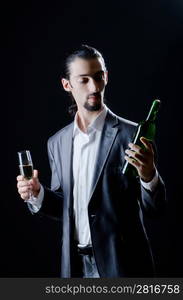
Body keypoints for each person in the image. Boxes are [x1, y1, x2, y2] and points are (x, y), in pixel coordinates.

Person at [17, 45, 166, 278]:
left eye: (98, 77)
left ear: (106, 77)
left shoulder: (132, 135)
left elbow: (156, 209)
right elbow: (64, 207)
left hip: (123, 267)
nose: (94, 87)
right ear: (67, 85)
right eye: (84, 80)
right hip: (74, 267)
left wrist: (149, 176)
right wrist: (38, 194)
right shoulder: (57, 142)